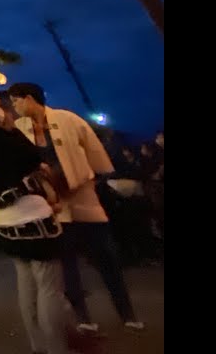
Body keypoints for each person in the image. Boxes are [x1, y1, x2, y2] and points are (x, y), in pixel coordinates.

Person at [8, 83, 145, 332]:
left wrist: (90, 175)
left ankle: (127, 313)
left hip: (83, 194)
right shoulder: (20, 129)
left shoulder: (67, 119)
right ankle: (82, 317)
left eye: (16, 101)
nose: (14, 107)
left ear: (28, 99)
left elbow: (93, 149)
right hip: (54, 203)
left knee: (106, 257)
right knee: (67, 263)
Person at [0, 90, 69, 354]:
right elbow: (33, 158)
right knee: (49, 286)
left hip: (1, 217)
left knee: (25, 281)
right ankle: (57, 347)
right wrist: (11, 129)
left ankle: (37, 344)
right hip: (29, 212)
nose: (2, 110)